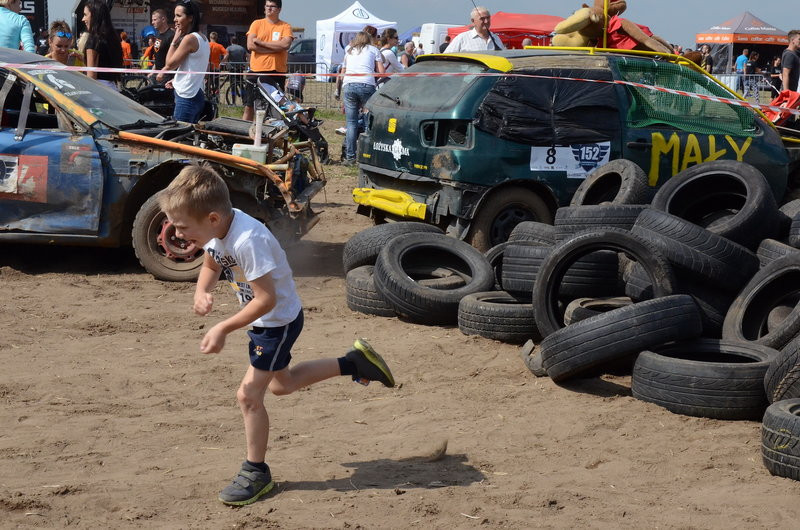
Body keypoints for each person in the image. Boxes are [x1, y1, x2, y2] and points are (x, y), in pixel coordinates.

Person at [158, 165, 395, 506]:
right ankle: (354, 363)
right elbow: (211, 265)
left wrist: (223, 327)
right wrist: (201, 291)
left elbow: (265, 300)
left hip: (276, 323)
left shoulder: (247, 240)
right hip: (266, 322)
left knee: (248, 396)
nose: (177, 234)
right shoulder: (218, 230)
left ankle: (256, 472)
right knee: (282, 385)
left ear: (212, 218)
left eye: (182, 227)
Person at [157, 0, 209, 123]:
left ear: (190, 18)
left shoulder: (189, 39)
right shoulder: (203, 38)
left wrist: (174, 41)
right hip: (196, 93)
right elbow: (193, 66)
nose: (174, 19)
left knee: (179, 132)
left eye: (179, 16)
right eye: (175, 15)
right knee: (189, 132)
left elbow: (169, 64)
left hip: (186, 96)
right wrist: (176, 80)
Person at [243, 0, 293, 122]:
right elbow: (250, 45)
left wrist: (261, 43)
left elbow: (285, 45)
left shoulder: (285, 26)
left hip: (276, 72)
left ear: (279, 9)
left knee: (277, 106)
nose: (269, 8)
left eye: (272, 6)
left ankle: (273, 131)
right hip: (256, 71)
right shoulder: (256, 24)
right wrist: (275, 48)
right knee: (249, 106)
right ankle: (243, 130)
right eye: (267, 6)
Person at [341, 31, 384, 165]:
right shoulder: (374, 50)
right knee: (368, 122)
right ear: (369, 40)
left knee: (351, 123)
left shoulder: (349, 51)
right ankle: (367, 155)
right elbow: (382, 72)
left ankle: (350, 157)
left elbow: (342, 72)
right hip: (366, 85)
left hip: (349, 85)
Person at [82, 0, 123, 90]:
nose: (83, 19)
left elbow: (91, 76)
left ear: (94, 15)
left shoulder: (93, 39)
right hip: (113, 88)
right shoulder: (112, 38)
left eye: (85, 15)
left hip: (97, 90)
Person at [150, 8, 174, 78]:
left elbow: (175, 58)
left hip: (168, 76)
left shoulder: (171, 35)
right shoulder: (157, 35)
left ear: (163, 19)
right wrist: (152, 72)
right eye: (152, 20)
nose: (152, 22)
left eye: (155, 20)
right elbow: (158, 57)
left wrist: (163, 72)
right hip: (157, 74)